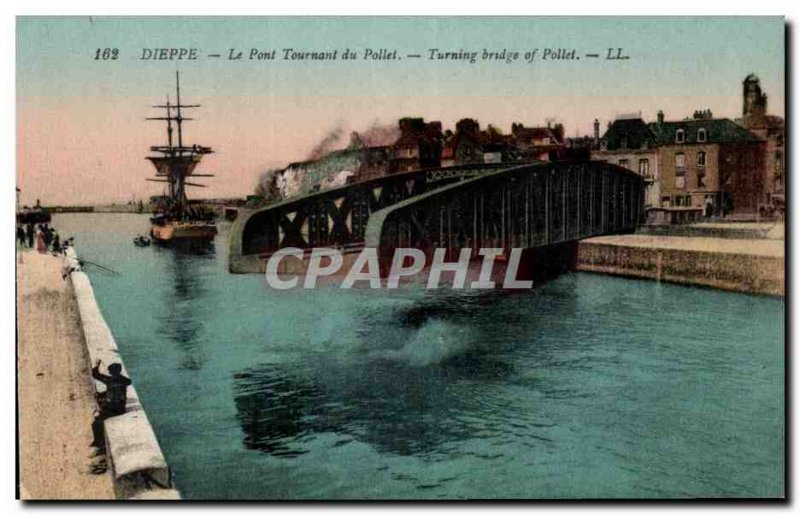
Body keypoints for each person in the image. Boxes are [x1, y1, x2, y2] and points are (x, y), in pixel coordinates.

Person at [90, 360, 132, 452]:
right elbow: (129, 382)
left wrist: (97, 365)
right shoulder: (124, 381)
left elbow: (95, 374)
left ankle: (99, 444)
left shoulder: (109, 380)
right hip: (120, 408)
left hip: (113, 408)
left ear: (110, 372)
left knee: (96, 423)